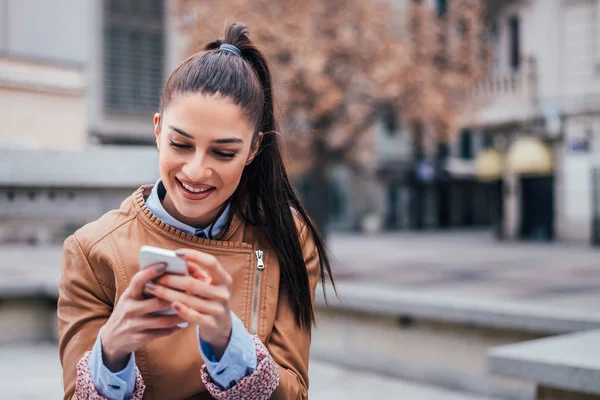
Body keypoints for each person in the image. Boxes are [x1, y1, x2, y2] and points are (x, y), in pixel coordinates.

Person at [58, 23, 334, 400]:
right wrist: (112, 351)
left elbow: (294, 394)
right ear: (157, 131)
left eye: (223, 152)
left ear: (254, 150)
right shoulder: (91, 251)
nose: (195, 171)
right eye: (180, 144)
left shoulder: (289, 236)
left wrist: (228, 341)